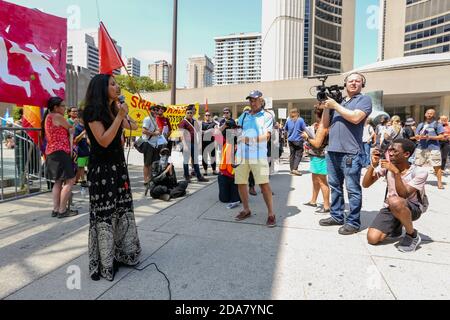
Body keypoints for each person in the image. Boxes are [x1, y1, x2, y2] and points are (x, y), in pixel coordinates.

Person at [83, 74, 141, 282]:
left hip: (118, 167)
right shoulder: (92, 111)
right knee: (105, 213)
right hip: (102, 171)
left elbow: (133, 127)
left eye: (117, 84)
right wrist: (118, 117)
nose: (117, 87)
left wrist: (124, 112)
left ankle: (122, 252)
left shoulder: (115, 108)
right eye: (113, 84)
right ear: (101, 87)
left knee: (121, 209)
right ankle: (105, 261)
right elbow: (104, 140)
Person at [320, 72, 373, 235]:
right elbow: (325, 124)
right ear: (345, 84)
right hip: (333, 151)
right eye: (351, 81)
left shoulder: (364, 100)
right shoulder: (341, 101)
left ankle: (353, 222)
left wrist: (335, 105)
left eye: (358, 81)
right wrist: (327, 107)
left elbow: (356, 118)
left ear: (362, 84)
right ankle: (336, 216)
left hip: (351, 152)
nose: (354, 83)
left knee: (352, 189)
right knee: (335, 187)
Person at [363, 139, 428, 252]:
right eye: (390, 150)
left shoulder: (419, 172)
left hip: (413, 208)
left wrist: (396, 172)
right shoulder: (387, 167)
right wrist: (372, 165)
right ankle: (397, 225)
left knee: (395, 201)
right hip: (392, 206)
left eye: (395, 151)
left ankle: (412, 235)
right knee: (372, 238)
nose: (390, 153)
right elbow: (365, 184)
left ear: (406, 154)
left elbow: (404, 194)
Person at [234, 90, 276, 228]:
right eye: (250, 100)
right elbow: (237, 129)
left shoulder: (267, 116)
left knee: (264, 185)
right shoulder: (244, 115)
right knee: (241, 183)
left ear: (261, 101)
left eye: (255, 100)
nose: (252, 103)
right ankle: (246, 209)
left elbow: (267, 137)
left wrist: (248, 139)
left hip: (259, 155)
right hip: (241, 155)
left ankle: (271, 214)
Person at [41, 97, 78, 219]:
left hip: (52, 152)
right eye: (63, 106)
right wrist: (74, 125)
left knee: (58, 182)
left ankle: (56, 209)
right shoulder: (57, 116)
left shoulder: (48, 117)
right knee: (70, 180)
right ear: (56, 107)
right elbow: (70, 128)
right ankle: (62, 210)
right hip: (60, 152)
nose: (64, 108)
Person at [302, 107, 330, 214]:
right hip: (316, 156)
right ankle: (313, 201)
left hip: (320, 157)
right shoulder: (322, 125)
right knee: (315, 179)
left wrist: (307, 137)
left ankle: (326, 206)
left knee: (322, 181)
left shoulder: (323, 126)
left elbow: (317, 144)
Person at [414, 108, 445, 189]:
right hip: (421, 147)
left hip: (433, 148)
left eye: (431, 113)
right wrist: (418, 137)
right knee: (417, 165)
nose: (429, 115)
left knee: (437, 166)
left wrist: (430, 137)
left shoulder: (437, 125)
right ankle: (417, 181)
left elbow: (442, 137)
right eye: (428, 113)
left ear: (434, 115)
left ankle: (439, 183)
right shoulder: (421, 125)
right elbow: (416, 136)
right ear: (425, 114)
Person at [178, 105, 208, 183]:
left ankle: (199, 176)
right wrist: (184, 145)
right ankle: (187, 177)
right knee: (186, 161)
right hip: (186, 143)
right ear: (186, 113)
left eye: (191, 113)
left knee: (195, 161)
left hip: (194, 143)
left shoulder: (194, 121)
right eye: (188, 113)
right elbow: (181, 135)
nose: (190, 114)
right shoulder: (183, 122)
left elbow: (199, 131)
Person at [218, 138, 241, 209]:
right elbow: (216, 133)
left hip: (236, 178)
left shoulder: (243, 147)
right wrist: (225, 126)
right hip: (224, 176)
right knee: (224, 199)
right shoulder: (225, 143)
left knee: (238, 199)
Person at [142, 105, 162, 187]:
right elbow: (144, 131)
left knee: (152, 163)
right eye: (154, 109)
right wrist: (154, 133)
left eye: (157, 110)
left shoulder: (155, 120)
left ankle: (150, 178)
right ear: (150, 110)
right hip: (148, 143)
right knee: (147, 163)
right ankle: (146, 180)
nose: (156, 111)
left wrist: (158, 133)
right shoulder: (147, 119)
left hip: (154, 144)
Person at [284, 108, 306, 176]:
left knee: (292, 155)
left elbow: (285, 129)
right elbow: (305, 128)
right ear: (297, 113)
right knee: (298, 154)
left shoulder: (288, 121)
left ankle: (291, 170)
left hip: (290, 140)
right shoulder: (300, 120)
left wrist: (286, 138)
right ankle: (295, 169)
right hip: (298, 140)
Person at [74, 109, 90, 187]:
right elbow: (75, 140)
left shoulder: (89, 126)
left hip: (88, 149)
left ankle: (89, 179)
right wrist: (83, 133)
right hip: (81, 150)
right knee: (81, 166)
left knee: (89, 164)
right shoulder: (77, 128)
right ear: (80, 118)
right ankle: (83, 180)